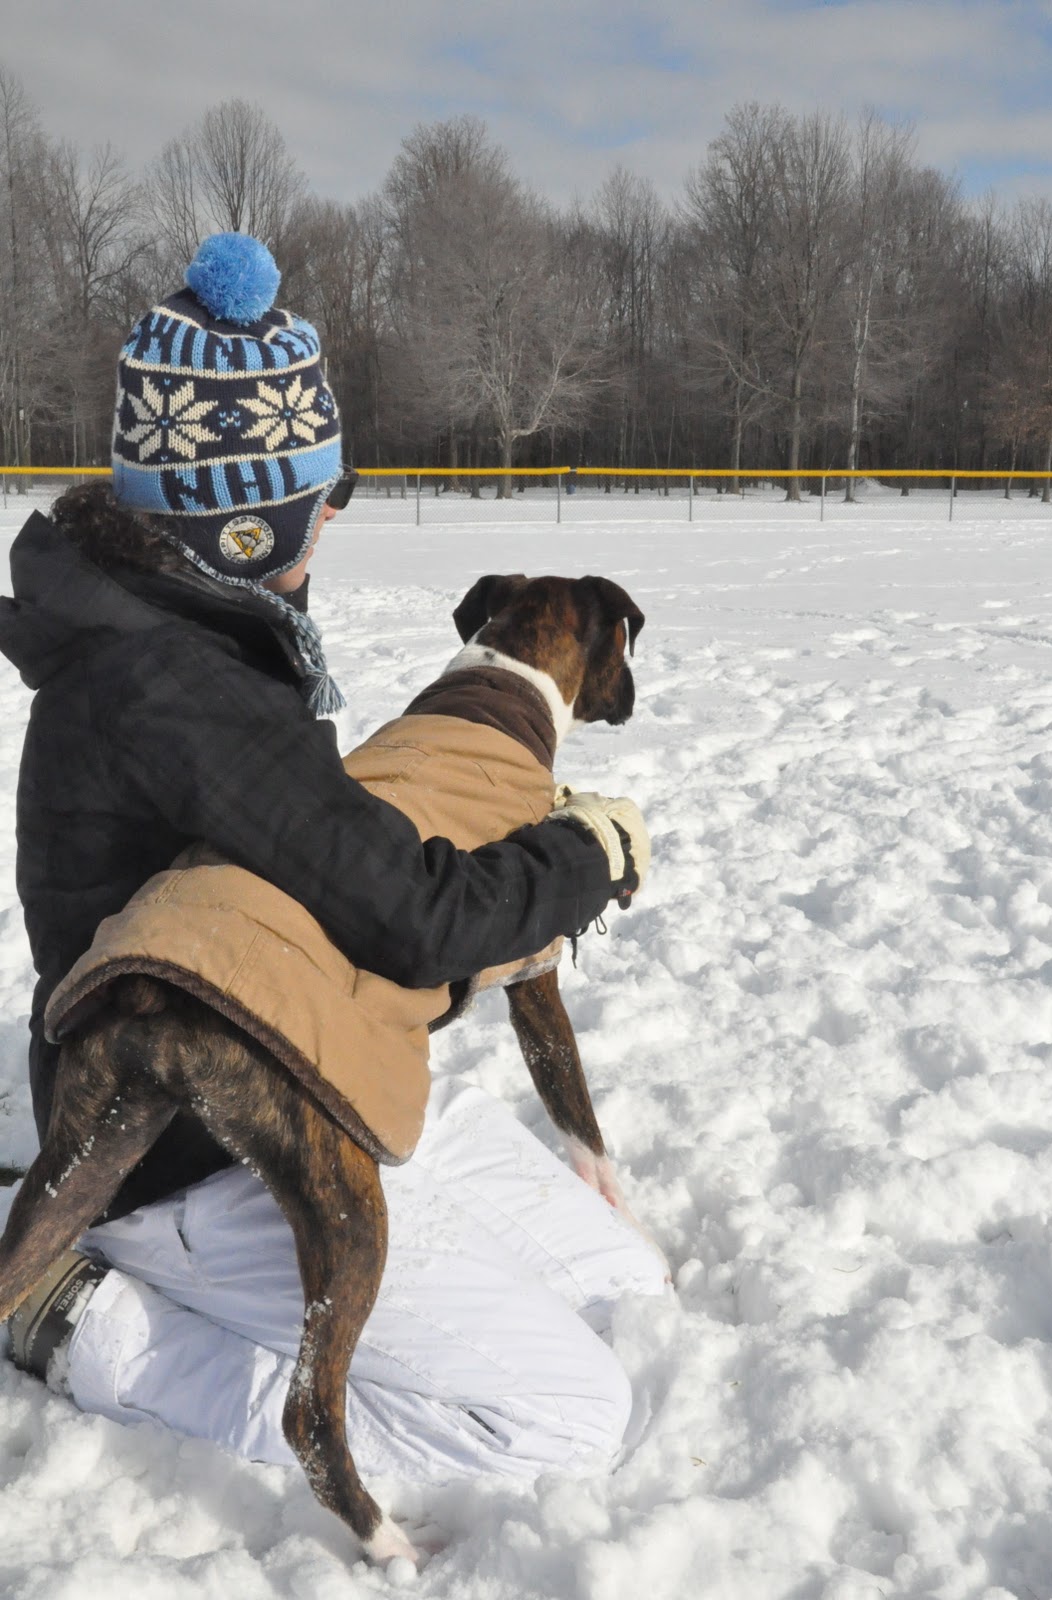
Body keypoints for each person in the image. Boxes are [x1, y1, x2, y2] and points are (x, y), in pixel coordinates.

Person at [0, 235, 667, 1499]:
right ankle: (83, 1323)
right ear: (242, 515)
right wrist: (582, 853)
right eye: (322, 485)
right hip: (194, 1148)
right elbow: (418, 915)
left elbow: (349, 870)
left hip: (313, 1048)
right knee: (568, 1418)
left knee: (619, 1280)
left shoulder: (183, 635)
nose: (340, 507)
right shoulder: (175, 688)